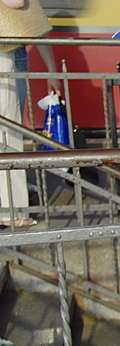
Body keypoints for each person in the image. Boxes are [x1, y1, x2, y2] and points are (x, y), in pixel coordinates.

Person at [0, 0, 57, 229]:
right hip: (4, 57)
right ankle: (12, 211)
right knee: (8, 134)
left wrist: (51, 68)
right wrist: (51, 70)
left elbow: (33, 21)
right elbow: (17, 2)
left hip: (13, 52)